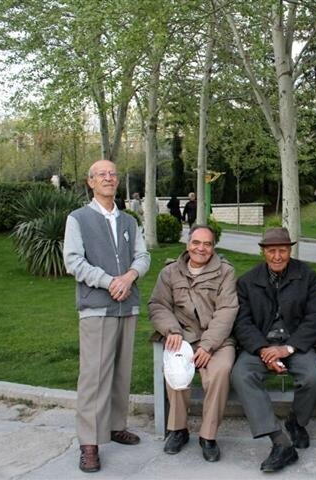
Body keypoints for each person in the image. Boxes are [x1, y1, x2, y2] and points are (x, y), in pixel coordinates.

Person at [63, 159, 151, 473]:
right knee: (94, 376)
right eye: (102, 174)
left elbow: (143, 256)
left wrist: (129, 277)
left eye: (113, 174)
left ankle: (115, 426)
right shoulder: (78, 219)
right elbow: (73, 261)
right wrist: (109, 281)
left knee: (121, 372)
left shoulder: (129, 220)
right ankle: (89, 442)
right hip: (96, 308)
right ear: (91, 182)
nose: (109, 178)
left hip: (127, 306)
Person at [231, 227, 316, 473]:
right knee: (241, 374)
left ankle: (296, 422)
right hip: (261, 345)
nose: (277, 256)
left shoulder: (306, 276)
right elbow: (242, 323)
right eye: (271, 251)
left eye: (282, 250)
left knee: (313, 377)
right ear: (263, 252)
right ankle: (279, 440)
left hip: (296, 344)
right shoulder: (247, 281)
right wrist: (263, 349)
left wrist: (288, 348)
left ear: (289, 251)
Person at [148, 225, 239, 462]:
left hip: (217, 339)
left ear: (213, 248)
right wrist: (172, 330)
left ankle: (208, 436)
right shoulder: (170, 272)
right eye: (196, 242)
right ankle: (178, 430)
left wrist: (208, 345)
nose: (201, 248)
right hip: (182, 336)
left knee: (220, 371)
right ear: (188, 244)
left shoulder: (225, 272)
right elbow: (158, 305)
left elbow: (227, 310)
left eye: (207, 244)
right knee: (176, 368)